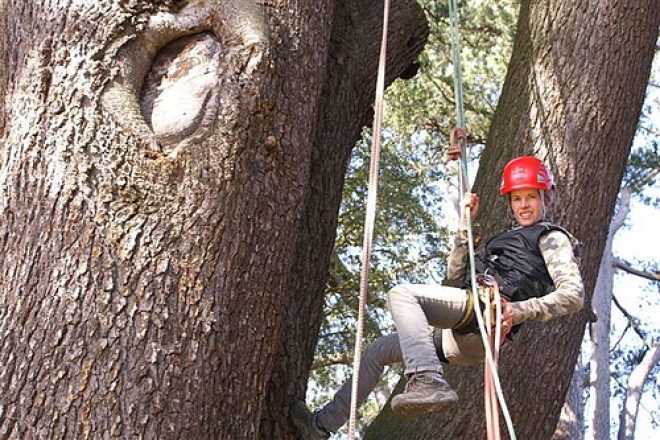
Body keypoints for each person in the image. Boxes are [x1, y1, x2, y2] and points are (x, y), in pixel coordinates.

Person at [291, 156, 584, 439]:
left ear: (545, 196)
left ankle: (427, 379)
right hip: (465, 332)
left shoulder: (551, 237)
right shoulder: (504, 240)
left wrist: (519, 310)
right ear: (509, 201)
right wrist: (465, 227)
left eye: (531, 197)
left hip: (484, 313)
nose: (524, 205)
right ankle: (321, 427)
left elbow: (573, 295)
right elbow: (454, 273)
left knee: (403, 295)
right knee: (378, 351)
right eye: (518, 198)